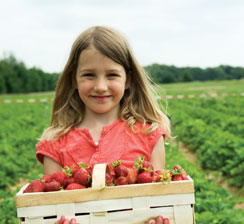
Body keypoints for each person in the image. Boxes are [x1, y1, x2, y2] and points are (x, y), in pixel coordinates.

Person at [36, 26, 171, 224]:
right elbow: (53, 209)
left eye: (112, 75)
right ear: (74, 78)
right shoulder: (55, 144)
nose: (100, 86)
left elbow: (160, 202)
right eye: (89, 75)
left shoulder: (149, 135)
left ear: (128, 80)